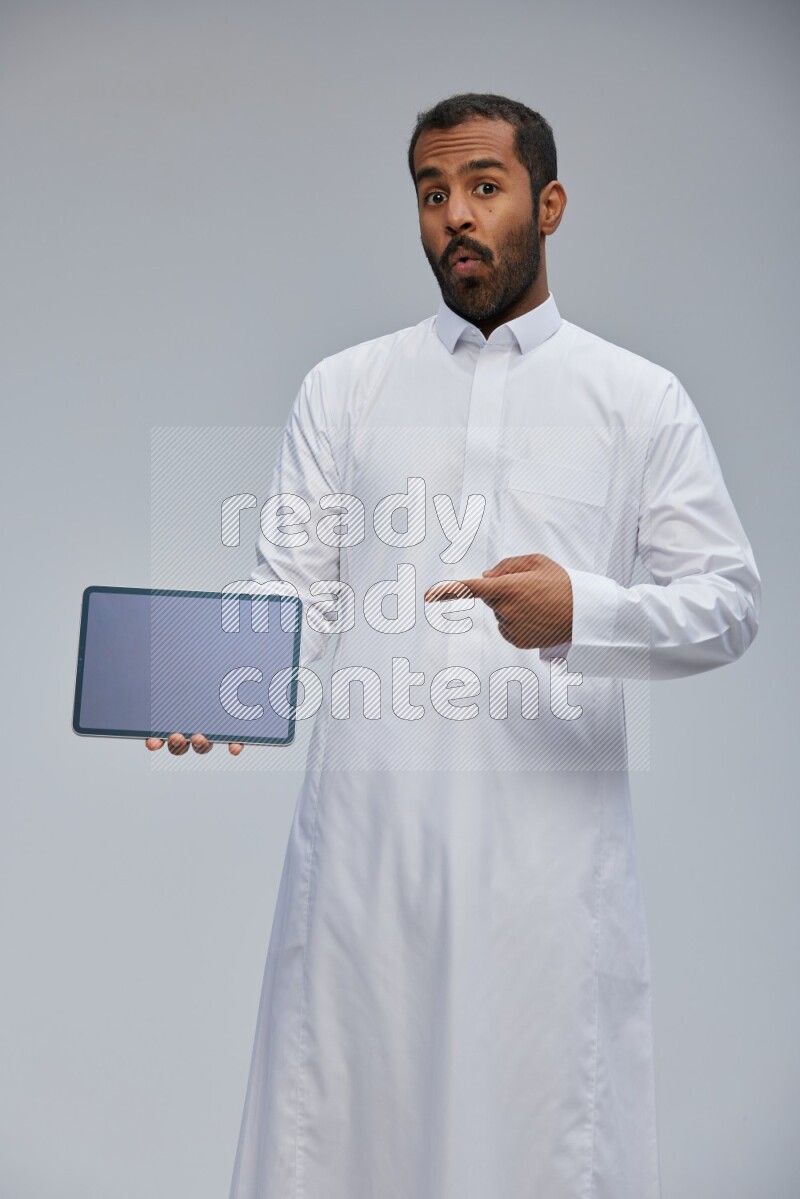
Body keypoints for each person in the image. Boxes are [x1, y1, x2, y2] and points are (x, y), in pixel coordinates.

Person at [147, 93, 761, 1197]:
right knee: (341, 1133)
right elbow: (291, 594)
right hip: (364, 863)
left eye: (483, 185)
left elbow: (726, 602)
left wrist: (581, 611)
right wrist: (211, 682)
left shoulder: (636, 399)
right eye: (432, 195)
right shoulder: (345, 387)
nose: (454, 218)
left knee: (534, 1140)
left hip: (545, 867)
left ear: (549, 203)